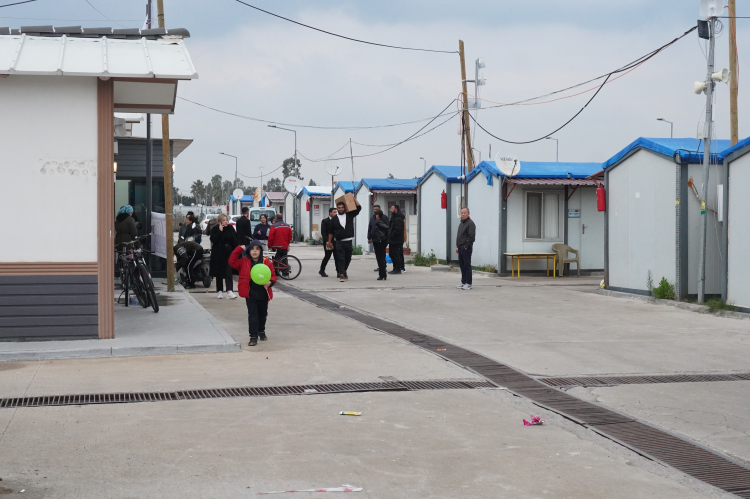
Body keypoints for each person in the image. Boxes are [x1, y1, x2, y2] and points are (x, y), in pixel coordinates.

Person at [229, 239, 277, 347]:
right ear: (249, 250)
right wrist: (238, 249)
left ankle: (261, 330)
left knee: (263, 314)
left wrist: (270, 282)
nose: (254, 251)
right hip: (250, 293)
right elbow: (231, 262)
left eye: (257, 249)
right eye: (252, 249)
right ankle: (253, 336)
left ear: (261, 251)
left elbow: (273, 275)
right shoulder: (243, 261)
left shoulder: (266, 262)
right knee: (253, 315)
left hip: (263, 293)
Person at [328, 198, 362, 282]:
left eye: (342, 207)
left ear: (344, 208)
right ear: (337, 208)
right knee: (341, 258)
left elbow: (359, 208)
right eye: (339, 208)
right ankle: (342, 274)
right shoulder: (334, 219)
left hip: (348, 240)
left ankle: (344, 270)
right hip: (339, 241)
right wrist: (329, 241)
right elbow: (331, 231)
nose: (341, 209)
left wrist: (353, 198)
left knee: (348, 258)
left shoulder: (349, 215)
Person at [209, 213, 239, 299]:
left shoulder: (230, 228)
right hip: (218, 254)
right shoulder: (215, 229)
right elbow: (213, 240)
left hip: (229, 253)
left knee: (228, 272)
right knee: (219, 273)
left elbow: (235, 239)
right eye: (224, 220)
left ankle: (229, 291)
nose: (226, 222)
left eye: (227, 220)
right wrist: (220, 231)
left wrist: (238, 250)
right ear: (220, 221)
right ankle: (220, 291)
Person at [455, 207, 476, 290]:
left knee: (467, 265)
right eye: (461, 213)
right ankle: (463, 282)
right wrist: (458, 247)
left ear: (468, 214)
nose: (463, 214)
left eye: (464, 213)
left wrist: (466, 246)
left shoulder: (470, 223)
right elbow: (460, 236)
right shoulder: (461, 223)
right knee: (462, 266)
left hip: (466, 248)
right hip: (460, 248)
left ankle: (468, 283)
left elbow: (471, 237)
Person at [370, 208, 390, 281]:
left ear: (378, 215)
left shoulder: (379, 221)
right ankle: (382, 274)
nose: (375, 216)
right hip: (378, 240)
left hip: (380, 241)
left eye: (376, 214)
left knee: (380, 258)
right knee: (380, 257)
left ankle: (382, 274)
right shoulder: (378, 221)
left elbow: (386, 228)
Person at [319, 207, 338, 277]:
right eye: (334, 212)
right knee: (327, 256)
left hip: (336, 242)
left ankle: (338, 272)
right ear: (330, 213)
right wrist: (327, 241)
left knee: (337, 257)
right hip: (328, 242)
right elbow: (323, 232)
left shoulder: (337, 220)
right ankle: (322, 270)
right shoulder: (325, 221)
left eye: (336, 212)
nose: (336, 213)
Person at [387, 204, 406, 275]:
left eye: (392, 209)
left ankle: (398, 269)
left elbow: (397, 230)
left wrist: (391, 236)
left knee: (396, 254)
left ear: (396, 210)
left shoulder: (398, 218)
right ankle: (395, 268)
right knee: (392, 254)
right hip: (393, 240)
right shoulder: (393, 217)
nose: (390, 210)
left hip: (396, 240)